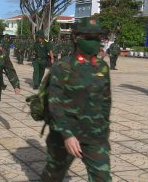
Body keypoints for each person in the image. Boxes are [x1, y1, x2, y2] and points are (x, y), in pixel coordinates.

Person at [41, 17, 112, 181]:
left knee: (102, 177)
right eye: (89, 38)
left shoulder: (102, 67)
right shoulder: (62, 66)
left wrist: (104, 129)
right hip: (65, 134)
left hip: (95, 135)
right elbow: (55, 103)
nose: (94, 42)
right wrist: (67, 135)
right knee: (53, 175)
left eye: (97, 38)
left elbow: (106, 101)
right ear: (75, 38)